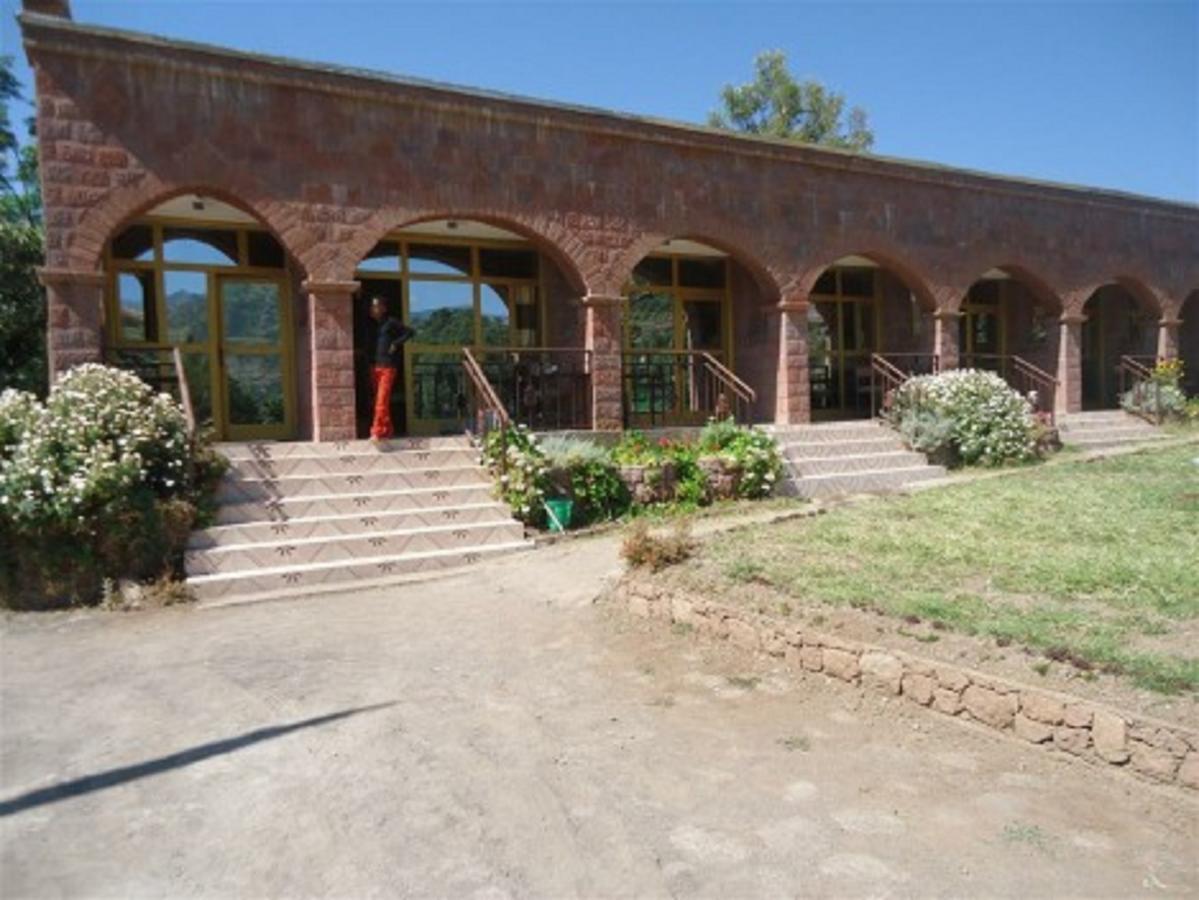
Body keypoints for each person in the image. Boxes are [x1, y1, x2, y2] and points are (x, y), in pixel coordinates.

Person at [368, 296, 414, 441]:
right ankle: (387, 430)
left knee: (381, 401)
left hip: (388, 367)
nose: (373, 308)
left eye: (376, 306)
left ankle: (377, 432)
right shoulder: (373, 325)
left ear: (383, 308)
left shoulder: (391, 322)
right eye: (372, 306)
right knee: (380, 401)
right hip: (375, 367)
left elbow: (410, 332)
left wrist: (396, 343)